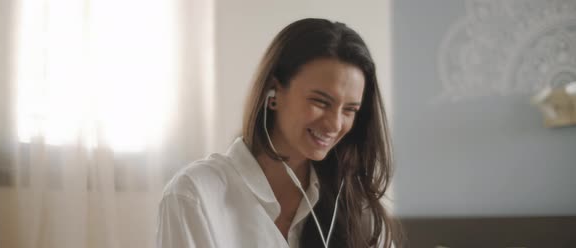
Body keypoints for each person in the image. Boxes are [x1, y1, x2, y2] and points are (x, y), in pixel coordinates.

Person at [156, 18, 401, 248]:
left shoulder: (356, 207)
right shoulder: (194, 195)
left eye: (350, 109)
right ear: (273, 92)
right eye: (321, 102)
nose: (335, 125)